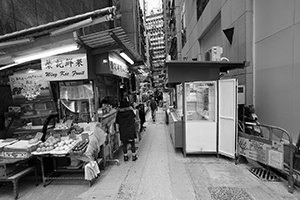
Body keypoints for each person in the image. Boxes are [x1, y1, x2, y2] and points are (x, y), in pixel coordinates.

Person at [116, 97, 138, 162]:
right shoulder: (130, 111)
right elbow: (134, 118)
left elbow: (117, 122)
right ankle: (134, 156)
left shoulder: (119, 113)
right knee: (132, 143)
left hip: (123, 130)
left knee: (124, 143)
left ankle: (125, 156)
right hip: (130, 129)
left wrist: (117, 131)